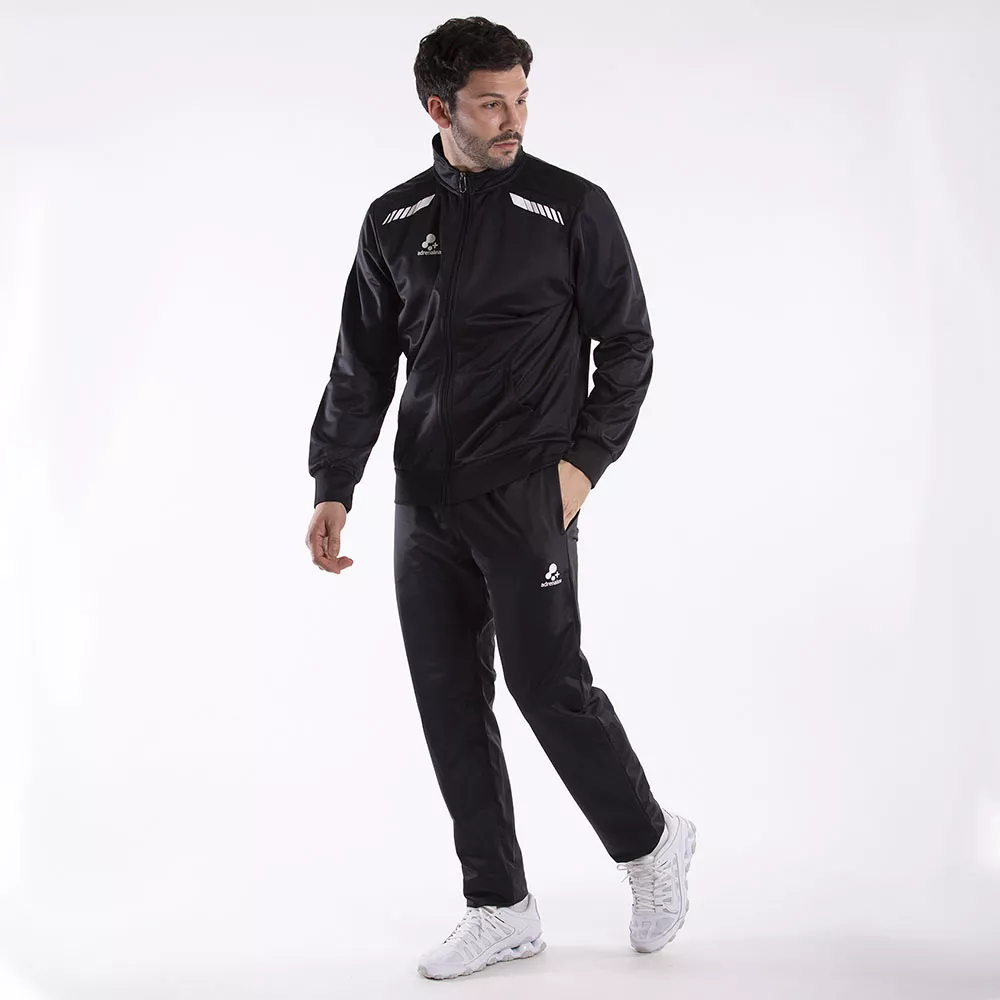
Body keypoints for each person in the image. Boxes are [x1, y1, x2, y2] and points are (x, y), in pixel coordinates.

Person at [304, 15, 697, 981]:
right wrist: (334, 482)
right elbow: (362, 363)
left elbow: (630, 347)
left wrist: (581, 467)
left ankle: (651, 844)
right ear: (439, 109)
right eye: (490, 103)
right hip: (424, 500)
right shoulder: (394, 220)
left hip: (528, 489)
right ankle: (499, 906)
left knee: (546, 686)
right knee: (448, 698)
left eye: (520, 97)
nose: (512, 117)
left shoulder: (572, 208)